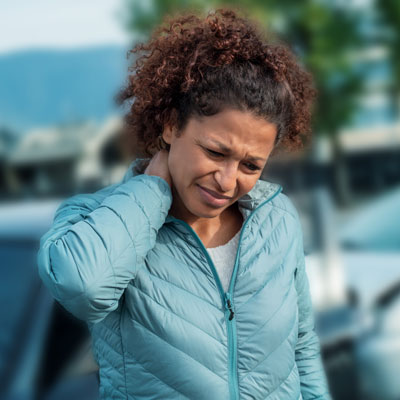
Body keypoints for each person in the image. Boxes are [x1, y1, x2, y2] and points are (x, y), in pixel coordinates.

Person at [37, 8, 331, 400]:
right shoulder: (94, 219)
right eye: (214, 152)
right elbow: (81, 289)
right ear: (171, 125)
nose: (228, 181)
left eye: (250, 165)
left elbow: (302, 347)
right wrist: (151, 190)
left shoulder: (276, 218)